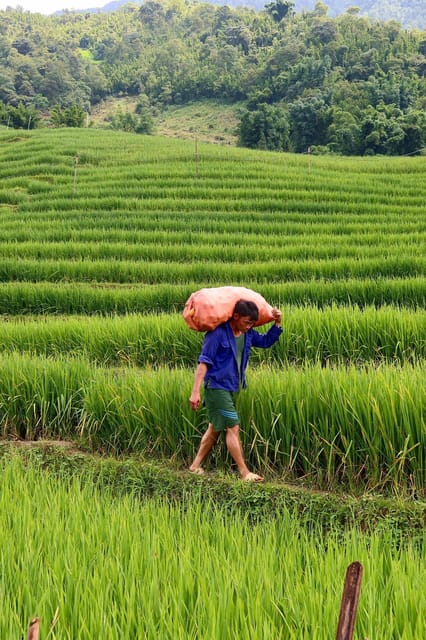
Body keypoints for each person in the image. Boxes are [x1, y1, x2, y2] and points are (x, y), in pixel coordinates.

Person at [189, 299, 282, 482]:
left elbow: (265, 342)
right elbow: (203, 362)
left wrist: (277, 323)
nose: (249, 326)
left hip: (232, 387)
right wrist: (195, 391)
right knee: (233, 426)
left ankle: (194, 466)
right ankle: (244, 473)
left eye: (252, 323)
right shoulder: (217, 334)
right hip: (216, 387)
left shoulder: (247, 334)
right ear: (236, 316)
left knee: (215, 428)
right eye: (247, 322)